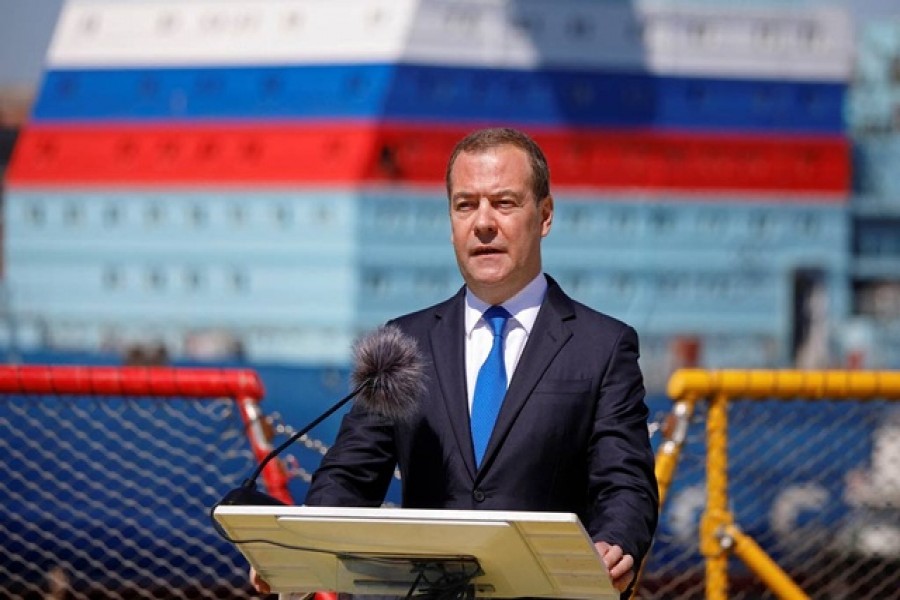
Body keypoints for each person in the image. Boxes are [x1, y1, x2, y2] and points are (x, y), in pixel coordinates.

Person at [253, 127, 658, 596]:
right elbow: (350, 475)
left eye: (504, 203)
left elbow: (625, 483)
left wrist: (616, 543)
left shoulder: (602, 346)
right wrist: (297, 553)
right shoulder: (402, 343)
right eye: (466, 205)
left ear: (544, 215)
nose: (483, 223)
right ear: (451, 221)